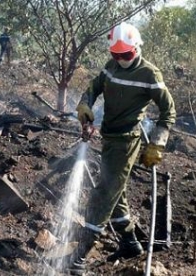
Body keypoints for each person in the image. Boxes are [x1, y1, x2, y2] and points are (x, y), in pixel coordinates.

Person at [70, 22, 176, 275]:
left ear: (137, 49)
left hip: (127, 141)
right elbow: (94, 87)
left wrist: (157, 143)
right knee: (117, 193)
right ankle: (130, 244)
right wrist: (85, 105)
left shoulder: (150, 75)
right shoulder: (112, 67)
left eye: (126, 54)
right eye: (116, 55)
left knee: (105, 193)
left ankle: (79, 257)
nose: (121, 59)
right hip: (109, 138)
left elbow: (168, 112)